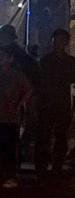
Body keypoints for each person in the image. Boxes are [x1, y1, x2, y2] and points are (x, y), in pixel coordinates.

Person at [35, 29, 75, 178]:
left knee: (61, 136)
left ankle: (57, 166)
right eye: (56, 40)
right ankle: (40, 167)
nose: (59, 43)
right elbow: (41, 80)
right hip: (47, 103)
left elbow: (74, 76)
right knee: (44, 135)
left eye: (62, 40)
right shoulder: (45, 60)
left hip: (62, 103)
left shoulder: (70, 60)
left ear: (66, 42)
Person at [0, 48, 33, 187]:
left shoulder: (17, 75)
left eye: (3, 56)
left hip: (11, 116)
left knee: (10, 147)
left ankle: (10, 176)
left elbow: (29, 89)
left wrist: (20, 104)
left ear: (10, 58)